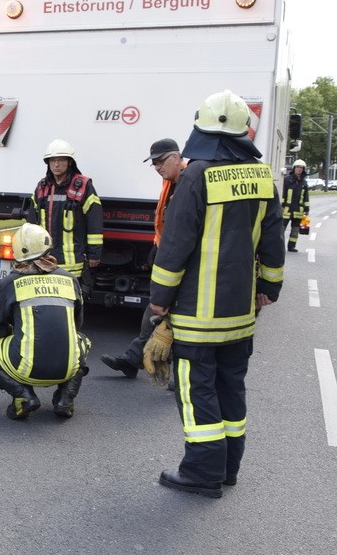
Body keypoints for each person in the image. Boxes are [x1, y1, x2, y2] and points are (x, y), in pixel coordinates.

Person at [149, 90, 284, 498]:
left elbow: (176, 246)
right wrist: (269, 287)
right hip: (241, 316)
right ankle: (228, 469)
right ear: (244, 131)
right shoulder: (263, 177)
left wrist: (160, 299)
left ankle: (202, 472)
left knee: (197, 393)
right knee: (231, 388)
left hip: (196, 317)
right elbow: (273, 243)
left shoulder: (196, 176)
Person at [0, 223, 90, 420]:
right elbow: (76, 325)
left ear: (17, 252)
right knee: (83, 342)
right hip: (67, 367)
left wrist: (13, 329)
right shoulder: (71, 280)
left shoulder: (9, 284)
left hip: (25, 368)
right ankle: (66, 398)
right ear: (48, 247)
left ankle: (23, 396)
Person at [101, 138, 184, 379]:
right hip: (167, 254)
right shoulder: (171, 182)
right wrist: (158, 246)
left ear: (176, 158)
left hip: (181, 263)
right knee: (153, 313)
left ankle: (179, 374)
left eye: (161, 161)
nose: (157, 167)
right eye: (154, 164)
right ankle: (132, 360)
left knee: (175, 319)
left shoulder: (189, 183)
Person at [25, 139, 103, 288]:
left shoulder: (83, 187)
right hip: (45, 261)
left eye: (60, 160)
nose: (56, 164)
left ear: (69, 162)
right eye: (52, 160)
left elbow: (95, 221)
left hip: (73, 265)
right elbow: (31, 224)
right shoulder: (41, 187)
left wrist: (94, 254)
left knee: (72, 305)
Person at [281, 159, 310, 252]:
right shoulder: (287, 179)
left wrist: (306, 209)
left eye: (301, 167)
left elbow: (306, 197)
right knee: (281, 229)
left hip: (298, 210)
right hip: (287, 209)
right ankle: (279, 246)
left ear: (303, 169)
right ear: (294, 168)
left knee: (295, 230)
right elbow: (283, 194)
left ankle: (291, 246)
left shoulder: (304, 182)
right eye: (297, 167)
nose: (299, 169)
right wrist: (281, 206)